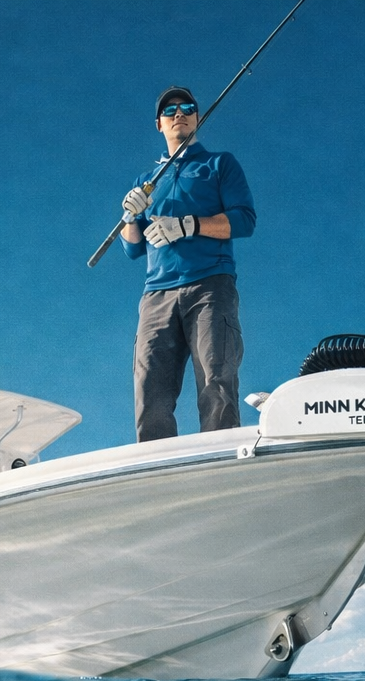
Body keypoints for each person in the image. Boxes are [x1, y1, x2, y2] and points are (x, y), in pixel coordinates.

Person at [120, 86, 256, 442]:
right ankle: (156, 473)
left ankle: (221, 462)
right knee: (150, 390)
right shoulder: (146, 183)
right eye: (170, 110)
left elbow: (244, 220)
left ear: (197, 118)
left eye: (187, 108)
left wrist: (188, 224)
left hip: (210, 286)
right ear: (159, 125)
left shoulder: (219, 164)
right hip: (157, 296)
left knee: (216, 380)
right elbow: (133, 249)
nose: (178, 113)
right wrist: (131, 217)